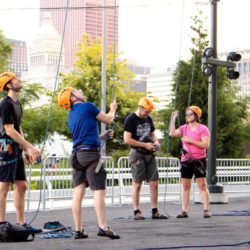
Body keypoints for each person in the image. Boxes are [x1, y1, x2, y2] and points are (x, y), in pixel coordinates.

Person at [57, 86, 120, 240]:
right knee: (99, 190)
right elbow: (109, 119)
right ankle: (103, 226)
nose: (80, 91)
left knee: (78, 193)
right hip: (91, 154)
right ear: (72, 98)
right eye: (77, 91)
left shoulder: (71, 114)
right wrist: (113, 109)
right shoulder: (88, 106)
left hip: (77, 155)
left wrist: (101, 136)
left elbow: (84, 137)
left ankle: (78, 230)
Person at [0, 72, 42, 233]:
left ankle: (21, 224)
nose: (19, 80)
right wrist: (29, 146)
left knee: (22, 185)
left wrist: (25, 149)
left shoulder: (17, 104)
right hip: (5, 148)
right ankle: (2, 224)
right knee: (4, 186)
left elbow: (18, 128)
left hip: (16, 149)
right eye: (15, 79)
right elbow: (9, 130)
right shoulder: (5, 104)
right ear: (9, 85)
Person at [123, 97, 168, 220]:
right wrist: (144, 145)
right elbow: (127, 139)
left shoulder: (148, 119)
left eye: (149, 112)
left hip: (149, 153)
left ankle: (155, 211)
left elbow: (152, 133)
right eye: (146, 111)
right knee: (137, 183)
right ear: (140, 108)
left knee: (154, 183)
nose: (148, 114)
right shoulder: (130, 119)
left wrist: (156, 142)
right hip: (137, 153)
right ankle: (136, 211)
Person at [168, 106, 211, 218]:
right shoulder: (184, 128)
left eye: (190, 114)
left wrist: (190, 140)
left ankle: (206, 209)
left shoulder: (203, 128)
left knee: (202, 185)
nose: (187, 116)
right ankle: (184, 211)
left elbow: (205, 145)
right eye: (186, 114)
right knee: (186, 186)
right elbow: (172, 133)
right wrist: (173, 118)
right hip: (186, 160)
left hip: (199, 160)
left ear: (196, 115)